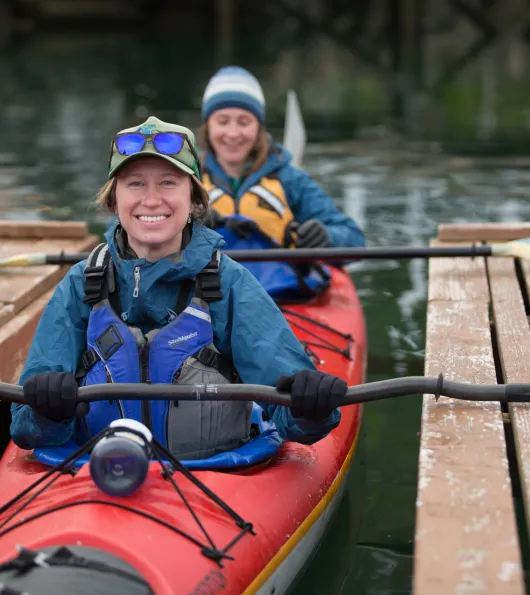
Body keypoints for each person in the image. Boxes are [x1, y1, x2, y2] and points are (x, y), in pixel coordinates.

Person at [10, 116, 347, 459]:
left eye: (169, 182)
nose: (152, 200)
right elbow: (24, 425)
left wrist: (311, 406)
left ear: (195, 202)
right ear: (115, 201)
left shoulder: (230, 284)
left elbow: (294, 419)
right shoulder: (81, 284)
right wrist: (47, 411)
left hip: (214, 478)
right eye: (135, 184)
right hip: (97, 477)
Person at [199, 66, 365, 251]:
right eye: (222, 122)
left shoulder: (290, 179)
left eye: (244, 122)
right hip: (209, 278)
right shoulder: (188, 179)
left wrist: (327, 236)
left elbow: (353, 237)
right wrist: (191, 225)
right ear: (208, 126)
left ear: (259, 127)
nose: (233, 133)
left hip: (276, 279)